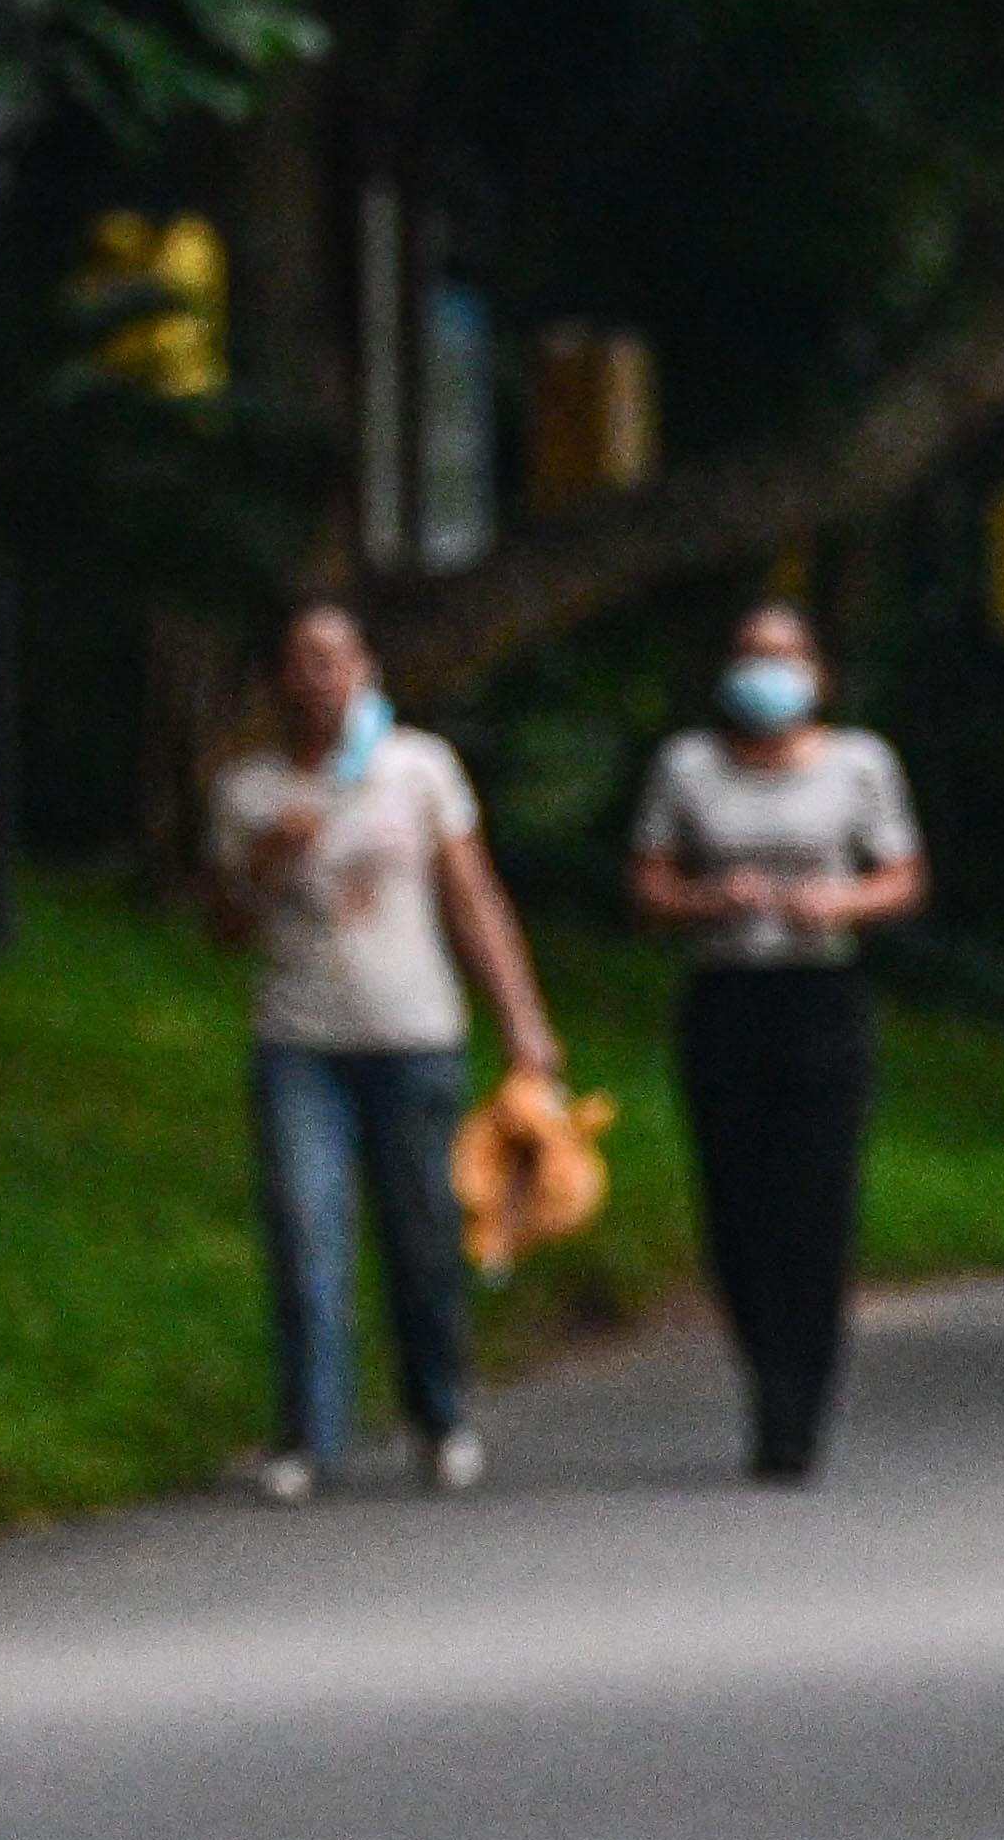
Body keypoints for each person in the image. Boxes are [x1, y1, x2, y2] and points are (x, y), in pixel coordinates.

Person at [201, 595, 566, 1500]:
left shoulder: (417, 770)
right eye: (303, 661)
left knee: (424, 1234)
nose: (320, 679)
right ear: (278, 680)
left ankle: (440, 1414)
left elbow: (472, 896)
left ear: (365, 669)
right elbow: (218, 927)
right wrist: (265, 864)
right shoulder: (246, 792)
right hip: (300, 1043)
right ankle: (308, 1437)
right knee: (305, 1234)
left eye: (337, 659)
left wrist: (522, 1016)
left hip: (415, 1036)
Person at [629, 602, 924, 1479]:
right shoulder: (686, 768)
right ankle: (762, 1357)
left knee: (814, 1205)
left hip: (819, 993)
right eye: (752, 654)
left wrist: (837, 904)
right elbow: (650, 882)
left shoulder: (860, 765)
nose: (768, 671)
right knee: (736, 1205)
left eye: (786, 655)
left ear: (819, 675)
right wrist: (712, 901)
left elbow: (901, 875)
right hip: (726, 994)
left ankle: (798, 1403)